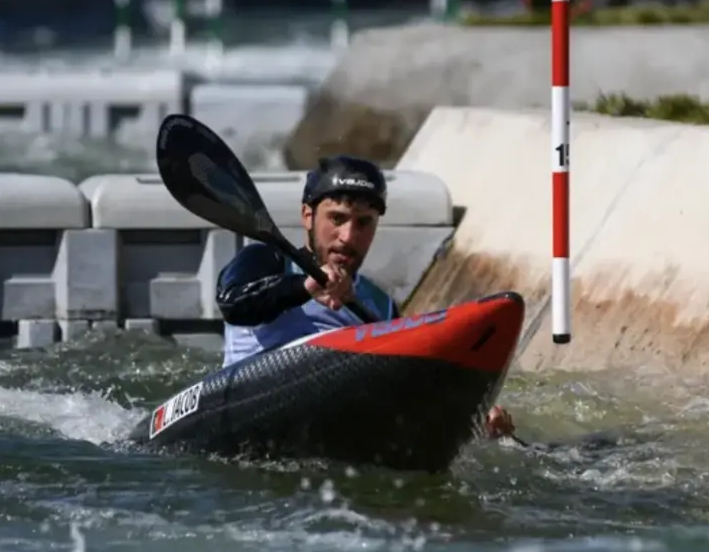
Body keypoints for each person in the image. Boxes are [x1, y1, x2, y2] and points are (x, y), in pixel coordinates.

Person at [215, 155, 516, 439]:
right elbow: (233, 304)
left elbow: (408, 387)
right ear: (308, 216)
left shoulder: (380, 305)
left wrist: (466, 416)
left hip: (335, 420)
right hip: (250, 405)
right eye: (337, 218)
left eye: (364, 223)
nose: (348, 237)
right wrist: (304, 287)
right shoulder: (266, 260)